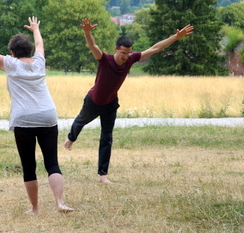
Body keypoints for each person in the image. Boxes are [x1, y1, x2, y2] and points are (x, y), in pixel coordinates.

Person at [0, 17, 74, 215]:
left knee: (29, 165)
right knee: (52, 162)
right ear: (29, 51)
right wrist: (36, 29)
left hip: (24, 119)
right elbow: (40, 44)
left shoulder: (11, 64)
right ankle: (60, 203)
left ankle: (35, 208)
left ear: (12, 53)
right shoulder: (39, 62)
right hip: (47, 115)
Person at [64, 18, 194, 183]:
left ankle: (102, 175)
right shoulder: (105, 59)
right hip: (93, 101)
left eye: (128, 53)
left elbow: (155, 48)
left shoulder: (131, 59)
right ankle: (71, 138)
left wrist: (175, 37)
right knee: (79, 123)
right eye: (122, 53)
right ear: (115, 50)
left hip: (110, 103)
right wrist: (87, 32)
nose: (125, 57)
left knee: (107, 137)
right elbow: (93, 46)